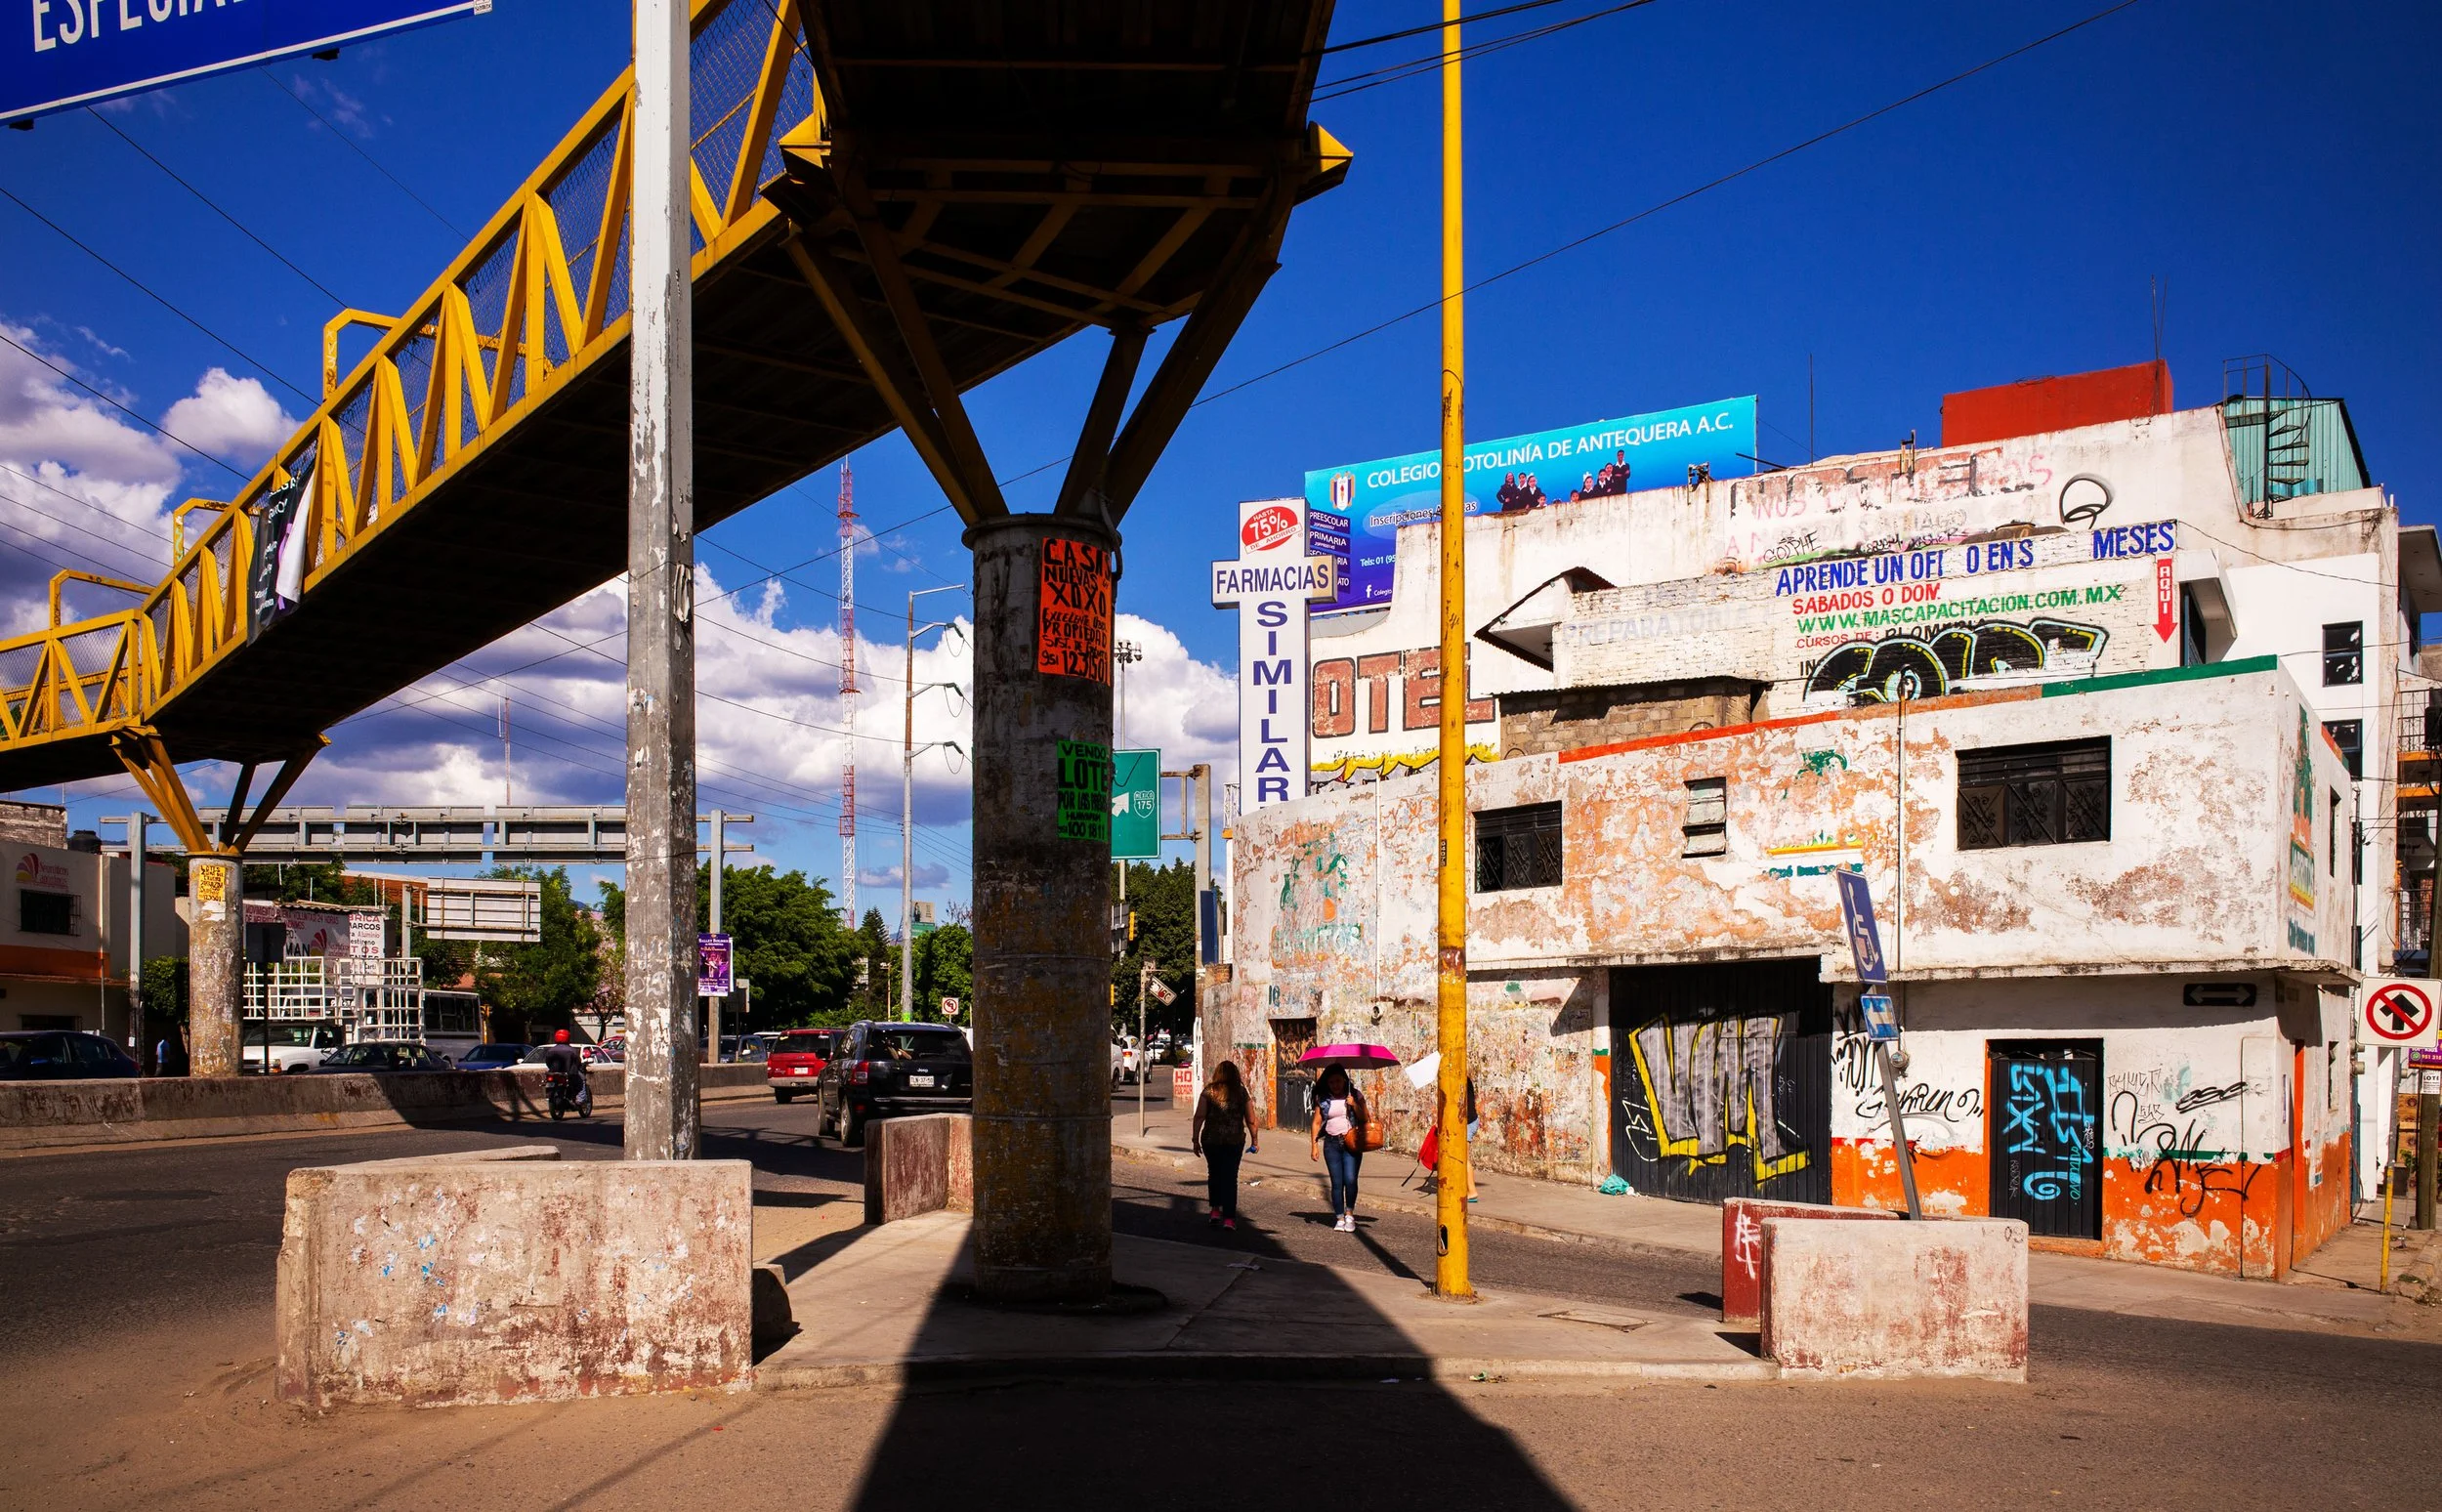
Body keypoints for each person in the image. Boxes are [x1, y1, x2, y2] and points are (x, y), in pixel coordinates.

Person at [1190, 1061, 1258, 1230]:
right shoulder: (1241, 1093)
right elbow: (1251, 1119)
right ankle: (1229, 1219)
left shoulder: (1209, 1091)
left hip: (1211, 1140)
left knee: (1214, 1174)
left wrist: (1195, 1139)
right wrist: (1254, 1140)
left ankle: (1214, 1210)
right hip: (1234, 1141)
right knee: (1230, 1178)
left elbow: (1199, 1116)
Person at [1308, 1065, 1370, 1232]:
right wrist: (1314, 1145)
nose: (1335, 1085)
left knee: (1350, 1179)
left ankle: (1349, 1213)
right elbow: (1316, 1122)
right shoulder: (1323, 1098)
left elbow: (1365, 1117)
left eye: (1338, 1081)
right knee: (1337, 1183)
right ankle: (1339, 1217)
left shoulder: (1355, 1095)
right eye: (1331, 1082)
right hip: (1331, 1144)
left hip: (1351, 1143)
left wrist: (1354, 1105)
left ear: (1345, 1080)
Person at [540, 1029, 590, 1113]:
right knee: (582, 1081)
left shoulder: (551, 1050)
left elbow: (548, 1062)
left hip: (553, 1072)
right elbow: (577, 1062)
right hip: (569, 1073)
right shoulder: (571, 1050)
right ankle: (580, 1100)